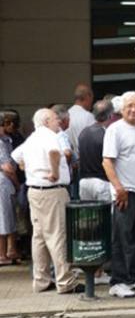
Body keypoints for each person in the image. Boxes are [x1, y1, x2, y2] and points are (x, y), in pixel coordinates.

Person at [11, 109, 84, 294]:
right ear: (45, 121)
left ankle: (41, 280)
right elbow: (54, 152)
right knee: (58, 235)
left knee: (40, 237)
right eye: (54, 118)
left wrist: (31, 168)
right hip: (52, 191)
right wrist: (54, 172)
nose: (58, 121)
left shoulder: (32, 138)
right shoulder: (51, 136)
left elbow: (16, 157)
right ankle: (65, 281)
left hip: (35, 191)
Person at [103, 91, 135, 299]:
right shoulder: (115, 130)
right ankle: (118, 281)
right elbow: (107, 162)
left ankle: (134, 277)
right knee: (121, 238)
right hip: (125, 192)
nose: (133, 110)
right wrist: (119, 188)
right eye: (129, 106)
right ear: (121, 109)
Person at [78, 100, 114, 202]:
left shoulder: (84, 132)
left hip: (84, 182)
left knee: (88, 216)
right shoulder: (107, 135)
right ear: (110, 116)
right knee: (104, 216)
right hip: (102, 181)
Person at [0, 112, 20, 265]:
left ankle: (9, 251)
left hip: (5, 183)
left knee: (7, 216)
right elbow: (8, 167)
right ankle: (4, 253)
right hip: (4, 183)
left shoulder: (7, 140)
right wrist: (17, 183)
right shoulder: (2, 142)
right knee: (5, 217)